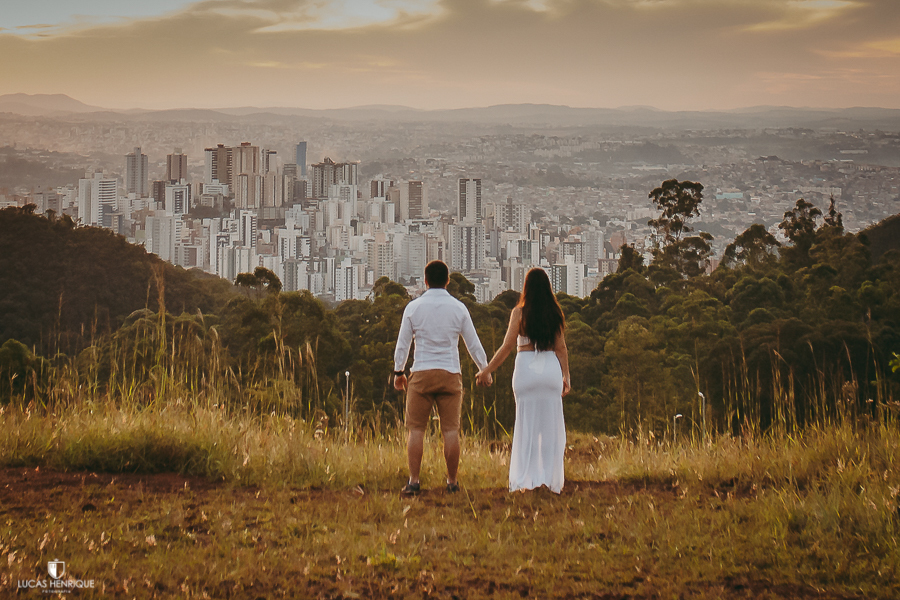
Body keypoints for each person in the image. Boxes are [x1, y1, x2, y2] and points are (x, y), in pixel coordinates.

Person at [393, 260, 489, 495]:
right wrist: (484, 369)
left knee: (416, 430)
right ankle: (452, 482)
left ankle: (414, 481)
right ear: (448, 280)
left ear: (425, 281)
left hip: (422, 373)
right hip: (450, 373)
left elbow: (403, 344)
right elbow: (473, 343)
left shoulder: (414, 308)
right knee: (451, 431)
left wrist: (398, 371)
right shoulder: (458, 308)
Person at [476, 268, 570, 493]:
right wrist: (566, 375)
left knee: (526, 426)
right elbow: (561, 348)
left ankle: (525, 479)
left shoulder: (519, 313)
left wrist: (487, 370)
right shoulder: (554, 313)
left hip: (526, 369)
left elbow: (507, 346)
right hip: (550, 371)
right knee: (550, 428)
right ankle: (549, 480)